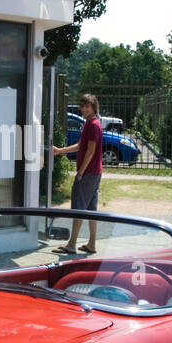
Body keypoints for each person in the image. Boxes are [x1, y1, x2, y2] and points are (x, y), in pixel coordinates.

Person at [52, 94, 103, 254]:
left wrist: (80, 172)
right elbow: (81, 145)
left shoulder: (93, 125)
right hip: (94, 173)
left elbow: (90, 151)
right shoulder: (90, 123)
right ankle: (92, 244)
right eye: (82, 106)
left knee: (78, 209)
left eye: (87, 106)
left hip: (88, 174)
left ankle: (71, 244)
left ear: (93, 107)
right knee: (90, 209)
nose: (84, 109)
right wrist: (60, 151)